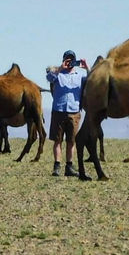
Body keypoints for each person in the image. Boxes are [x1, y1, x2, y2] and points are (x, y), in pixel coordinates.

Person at [46, 49, 88, 177]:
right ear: (63, 60)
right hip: (59, 110)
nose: (69, 63)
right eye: (67, 60)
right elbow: (49, 77)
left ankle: (69, 167)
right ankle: (57, 166)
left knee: (71, 141)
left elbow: (92, 79)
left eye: (72, 60)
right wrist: (60, 68)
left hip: (74, 112)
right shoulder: (58, 74)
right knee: (57, 140)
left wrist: (87, 67)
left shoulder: (80, 76)